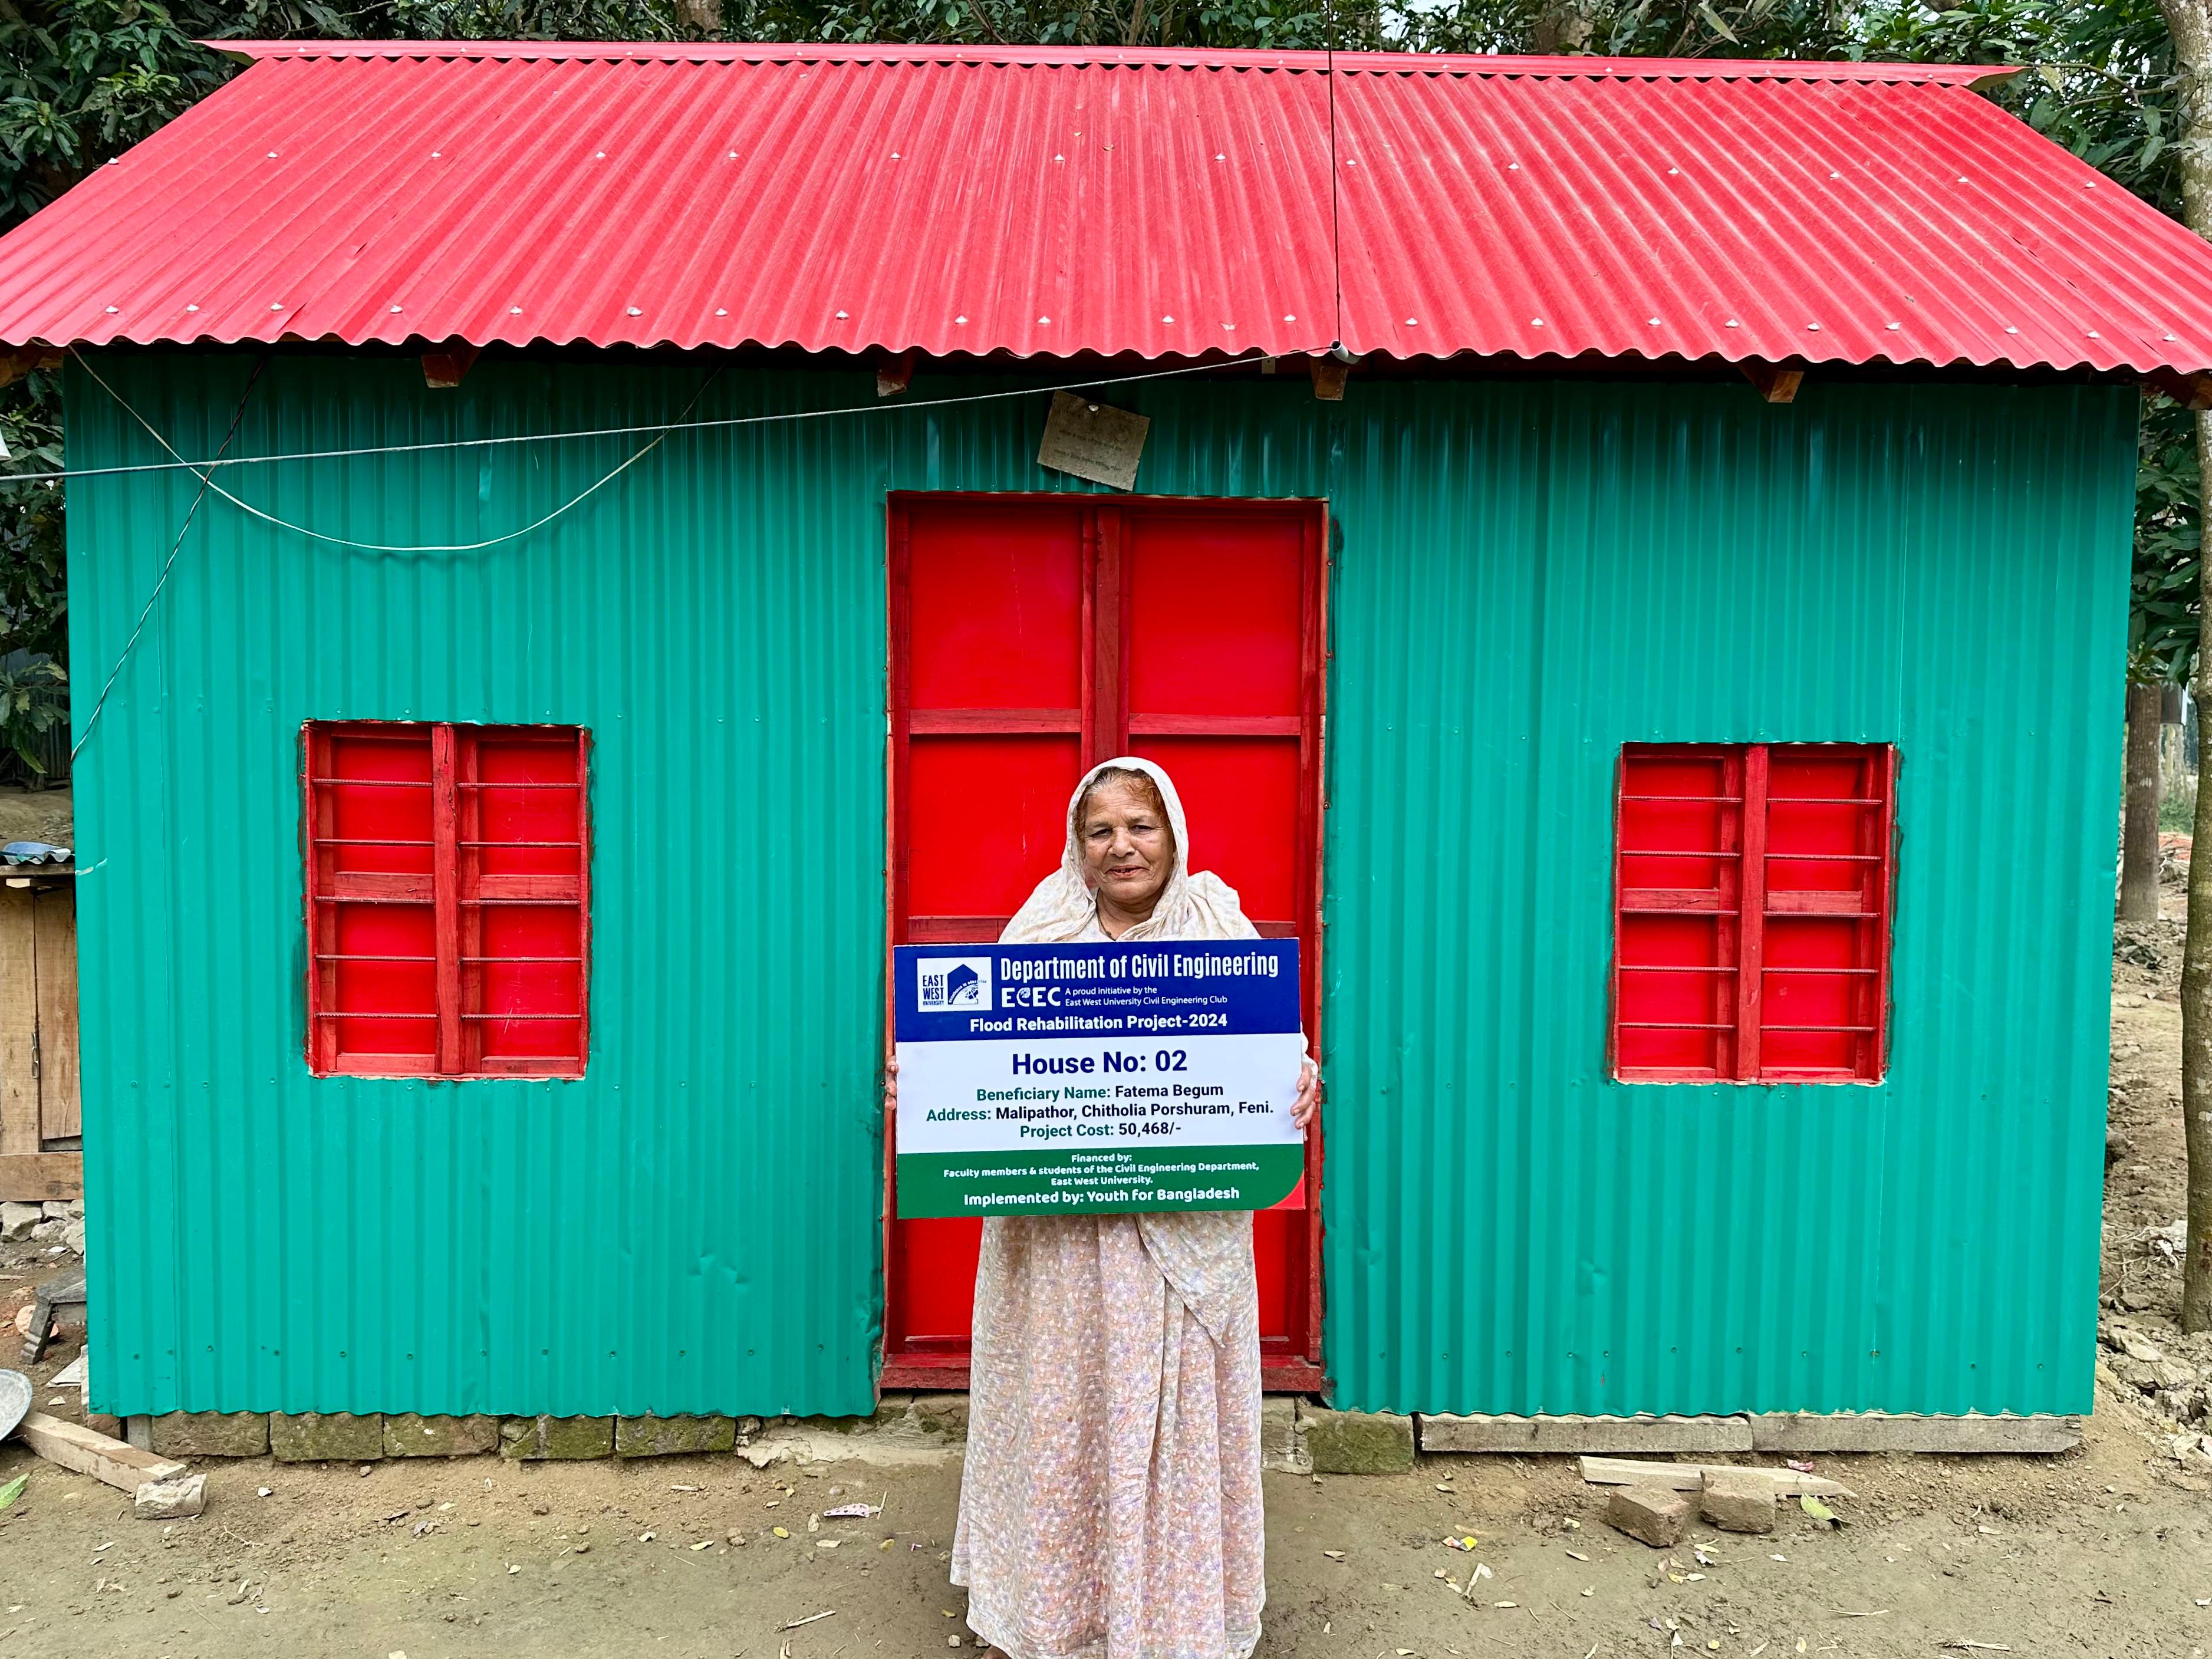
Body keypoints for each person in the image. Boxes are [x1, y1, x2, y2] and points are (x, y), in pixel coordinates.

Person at [894, 756, 1320, 1659]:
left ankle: (1177, 1613)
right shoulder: (1041, 931)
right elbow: (980, 1072)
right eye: (1101, 830)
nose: (1122, 845)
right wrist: (927, 1087)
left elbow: (1266, 1056)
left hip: (1186, 1236)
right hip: (1064, 1242)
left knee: (1175, 1415)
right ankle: (1063, 1611)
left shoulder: (1218, 923)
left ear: (1173, 833)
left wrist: (1297, 1082)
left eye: (1141, 824)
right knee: (1070, 1408)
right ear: (1077, 847)